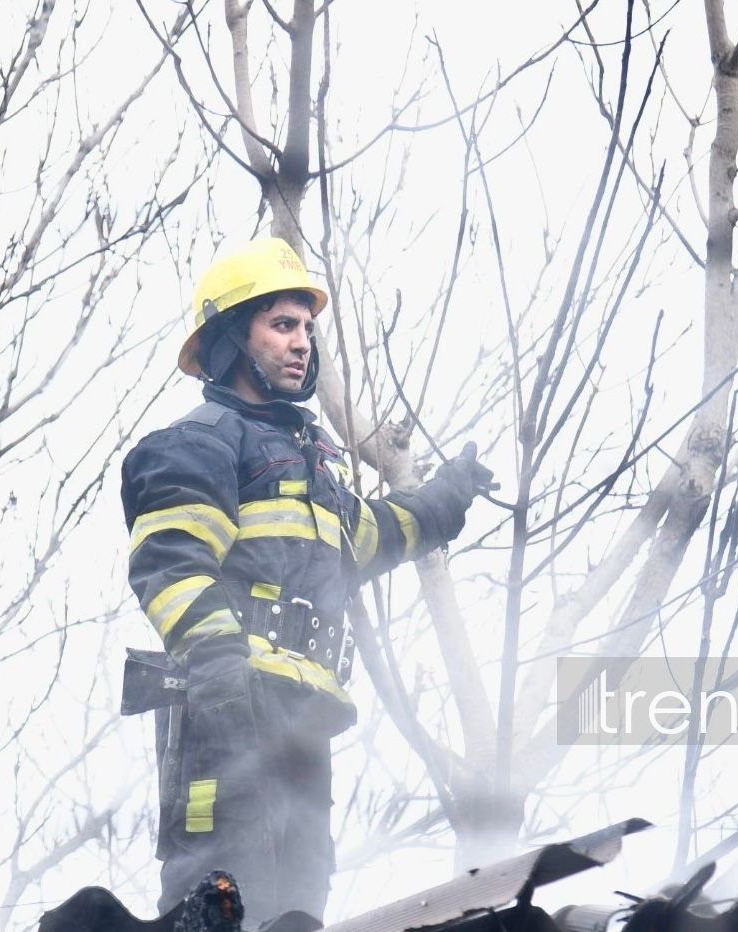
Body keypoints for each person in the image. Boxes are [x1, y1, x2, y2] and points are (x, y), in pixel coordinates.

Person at [120, 237, 493, 924]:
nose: (301, 344)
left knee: (297, 905)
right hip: (222, 711)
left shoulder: (310, 463)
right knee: (220, 895)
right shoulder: (198, 441)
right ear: (234, 338)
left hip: (301, 716)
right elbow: (171, 563)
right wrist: (219, 667)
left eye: (307, 328)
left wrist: (444, 501)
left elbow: (362, 539)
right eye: (281, 325)